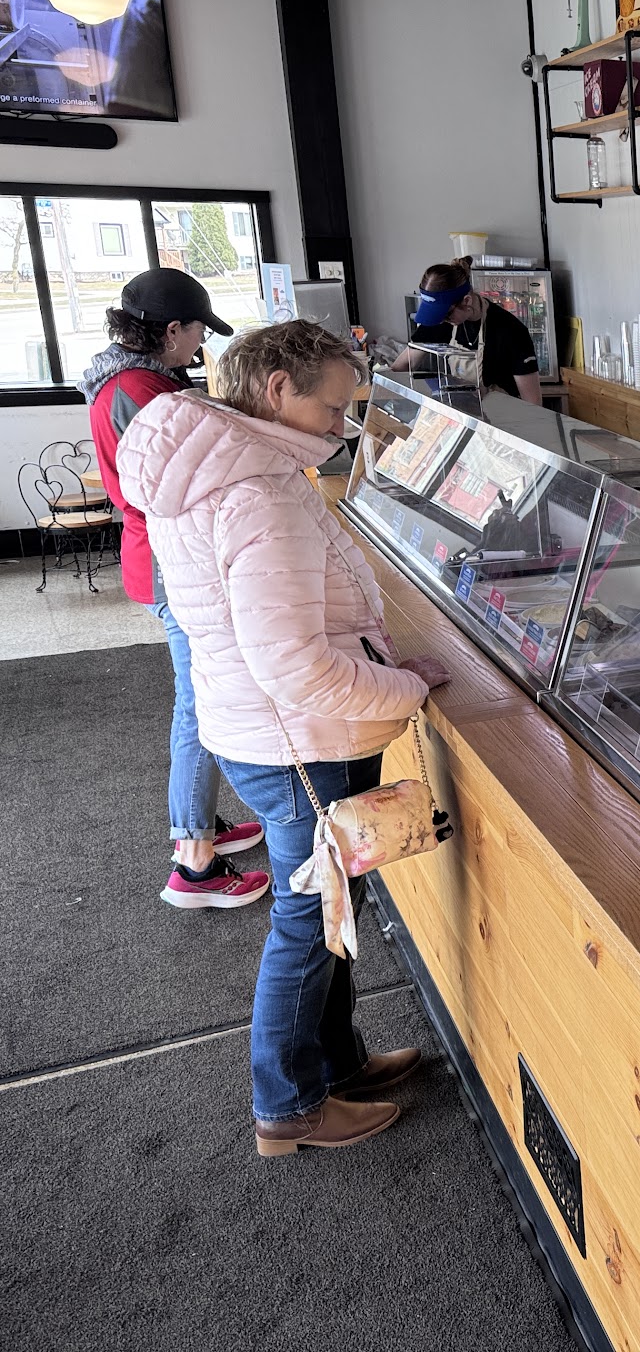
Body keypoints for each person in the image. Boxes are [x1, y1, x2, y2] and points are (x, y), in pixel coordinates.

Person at [119, 320, 452, 1156]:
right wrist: (406, 686)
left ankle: (337, 1063)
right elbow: (295, 667)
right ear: (277, 390)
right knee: (307, 920)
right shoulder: (256, 493)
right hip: (300, 740)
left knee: (333, 902)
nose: (343, 424)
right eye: (333, 407)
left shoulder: (224, 466)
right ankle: (290, 1104)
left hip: (273, 731)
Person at [83, 267, 268, 910]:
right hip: (170, 563)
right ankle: (193, 860)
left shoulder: (132, 379)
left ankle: (201, 822)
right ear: (170, 330)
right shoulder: (141, 389)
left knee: (199, 697)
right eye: (196, 332)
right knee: (199, 703)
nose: (200, 344)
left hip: (160, 558)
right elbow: (183, 481)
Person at [386, 255, 543, 402]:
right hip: (461, 413)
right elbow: (401, 367)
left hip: (502, 416)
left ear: (466, 301)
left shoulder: (510, 330)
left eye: (446, 314)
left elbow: (533, 403)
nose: (442, 321)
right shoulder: (439, 322)